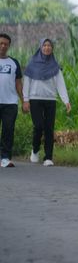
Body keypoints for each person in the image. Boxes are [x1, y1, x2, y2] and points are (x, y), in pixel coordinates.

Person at [22, 38, 72, 166]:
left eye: (49, 45)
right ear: (40, 47)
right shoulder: (32, 65)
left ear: (52, 48)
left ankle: (48, 157)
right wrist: (26, 100)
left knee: (49, 128)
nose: (47, 47)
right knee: (38, 126)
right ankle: (35, 149)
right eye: (44, 45)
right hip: (35, 99)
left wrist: (66, 100)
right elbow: (27, 83)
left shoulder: (55, 66)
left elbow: (60, 84)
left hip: (50, 99)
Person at [0, 33, 23, 168]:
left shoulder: (14, 63)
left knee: (8, 130)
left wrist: (24, 101)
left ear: (9, 46)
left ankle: (5, 158)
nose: (3, 46)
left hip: (10, 103)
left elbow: (18, 83)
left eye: (5, 44)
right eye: (1, 43)